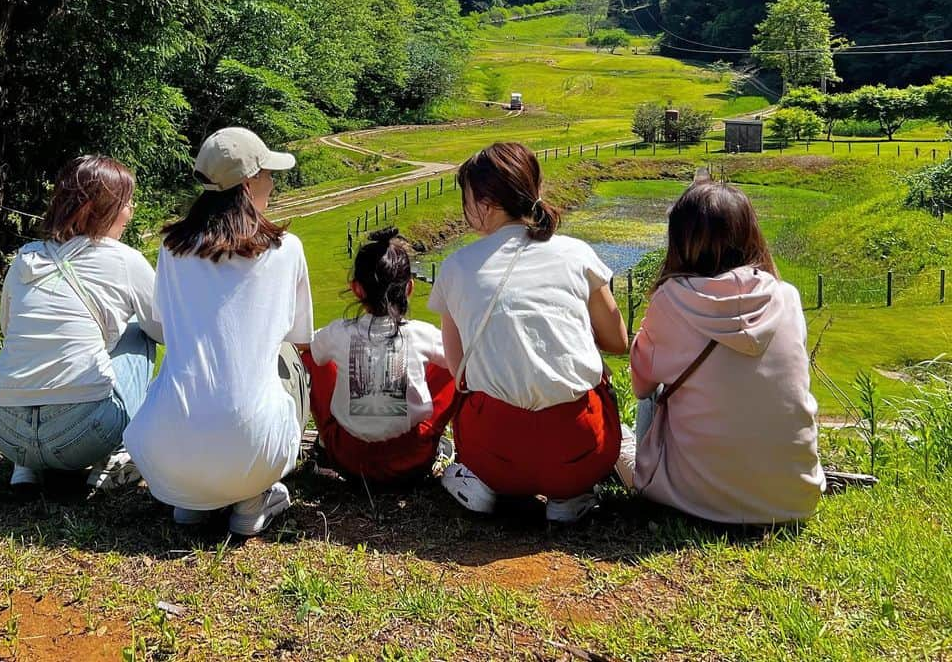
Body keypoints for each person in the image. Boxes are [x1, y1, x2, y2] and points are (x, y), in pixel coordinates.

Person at [124, 127, 312, 536]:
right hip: (253, 450)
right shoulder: (286, 249)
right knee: (287, 358)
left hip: (166, 456)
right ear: (248, 185)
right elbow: (299, 337)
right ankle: (251, 500)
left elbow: (165, 324)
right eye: (267, 175)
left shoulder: (171, 250)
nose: (273, 184)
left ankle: (192, 502)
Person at [429, 142, 628, 524]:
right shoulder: (576, 253)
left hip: (493, 452)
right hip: (582, 449)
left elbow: (460, 375)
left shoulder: (456, 267)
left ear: (484, 203)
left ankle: (485, 486)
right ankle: (569, 494)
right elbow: (618, 341)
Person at [628, 180, 824, 524]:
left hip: (696, 500)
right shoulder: (786, 296)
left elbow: (641, 387)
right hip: (796, 499)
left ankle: (647, 476)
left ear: (679, 238)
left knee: (624, 432)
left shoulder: (670, 300)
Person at [0, 155, 161, 493]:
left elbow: (8, 332)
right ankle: (116, 455)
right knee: (140, 329)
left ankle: (26, 468)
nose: (131, 211)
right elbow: (165, 331)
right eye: (125, 202)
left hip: (5, 433)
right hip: (82, 437)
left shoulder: (24, 258)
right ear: (101, 208)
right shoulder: (124, 259)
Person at [304, 227, 457, 485]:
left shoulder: (339, 332)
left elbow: (308, 346)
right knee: (453, 362)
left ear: (356, 289)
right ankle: (439, 441)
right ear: (409, 288)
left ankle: (322, 444)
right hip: (412, 458)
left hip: (349, 458)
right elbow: (460, 362)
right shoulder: (421, 333)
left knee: (314, 357)